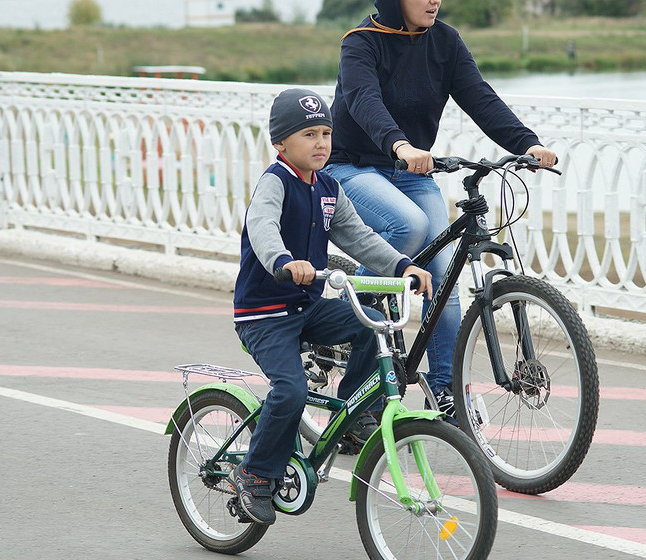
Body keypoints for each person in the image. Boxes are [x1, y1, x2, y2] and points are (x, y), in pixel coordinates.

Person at [324, 0, 557, 420]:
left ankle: (446, 390)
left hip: (411, 172)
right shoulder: (361, 42)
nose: (434, 1)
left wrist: (527, 143)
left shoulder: (446, 42)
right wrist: (399, 144)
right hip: (351, 166)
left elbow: (480, 98)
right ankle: (353, 306)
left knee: (444, 273)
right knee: (409, 225)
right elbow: (363, 100)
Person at [229, 88, 433, 525]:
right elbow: (262, 227)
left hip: (306, 307)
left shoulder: (328, 188)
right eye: (309, 135)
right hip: (264, 316)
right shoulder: (275, 182)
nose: (321, 143)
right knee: (291, 391)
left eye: (326, 133)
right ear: (281, 143)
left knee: (372, 323)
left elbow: (358, 237)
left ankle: (354, 413)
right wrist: (283, 261)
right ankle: (254, 473)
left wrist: (404, 266)